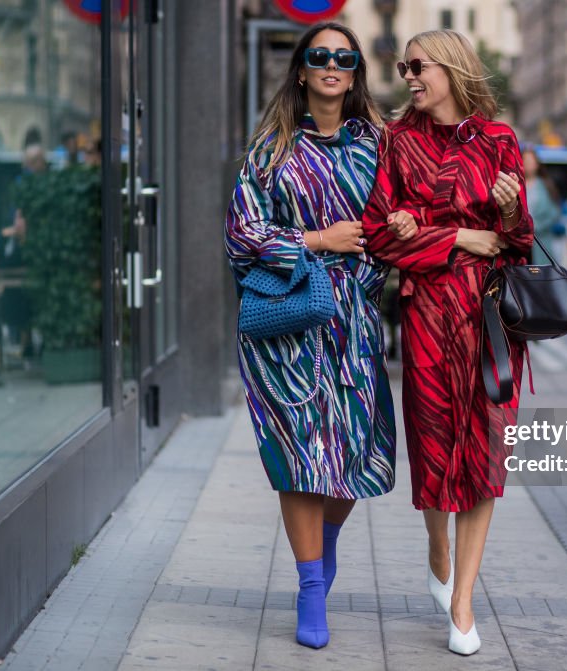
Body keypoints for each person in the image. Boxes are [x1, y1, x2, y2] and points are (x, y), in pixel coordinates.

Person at [361, 29, 533, 656]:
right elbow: (379, 235)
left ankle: (462, 601)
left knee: (485, 452)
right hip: (429, 317)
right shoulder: (398, 142)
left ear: (452, 70)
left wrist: (511, 214)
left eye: (418, 66)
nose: (408, 75)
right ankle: (438, 547)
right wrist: (457, 237)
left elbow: (518, 240)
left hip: (489, 321)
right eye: (405, 67)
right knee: (434, 446)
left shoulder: (500, 141)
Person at [224, 22, 394, 650]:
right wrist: (317, 241)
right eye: (319, 56)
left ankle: (323, 548)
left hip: (354, 323)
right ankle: (309, 587)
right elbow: (241, 234)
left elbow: (401, 223)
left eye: (343, 58)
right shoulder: (271, 148)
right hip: (288, 327)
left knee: (357, 456)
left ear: (354, 73)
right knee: (299, 456)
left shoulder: (379, 145)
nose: (331, 65)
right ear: (301, 71)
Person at [522, 146, 566, 266]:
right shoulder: (514, 184)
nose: (528, 165)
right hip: (519, 241)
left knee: (540, 276)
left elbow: (555, 212)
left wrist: (535, 226)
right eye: (525, 161)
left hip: (541, 241)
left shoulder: (546, 186)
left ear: (537, 164)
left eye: (531, 162)